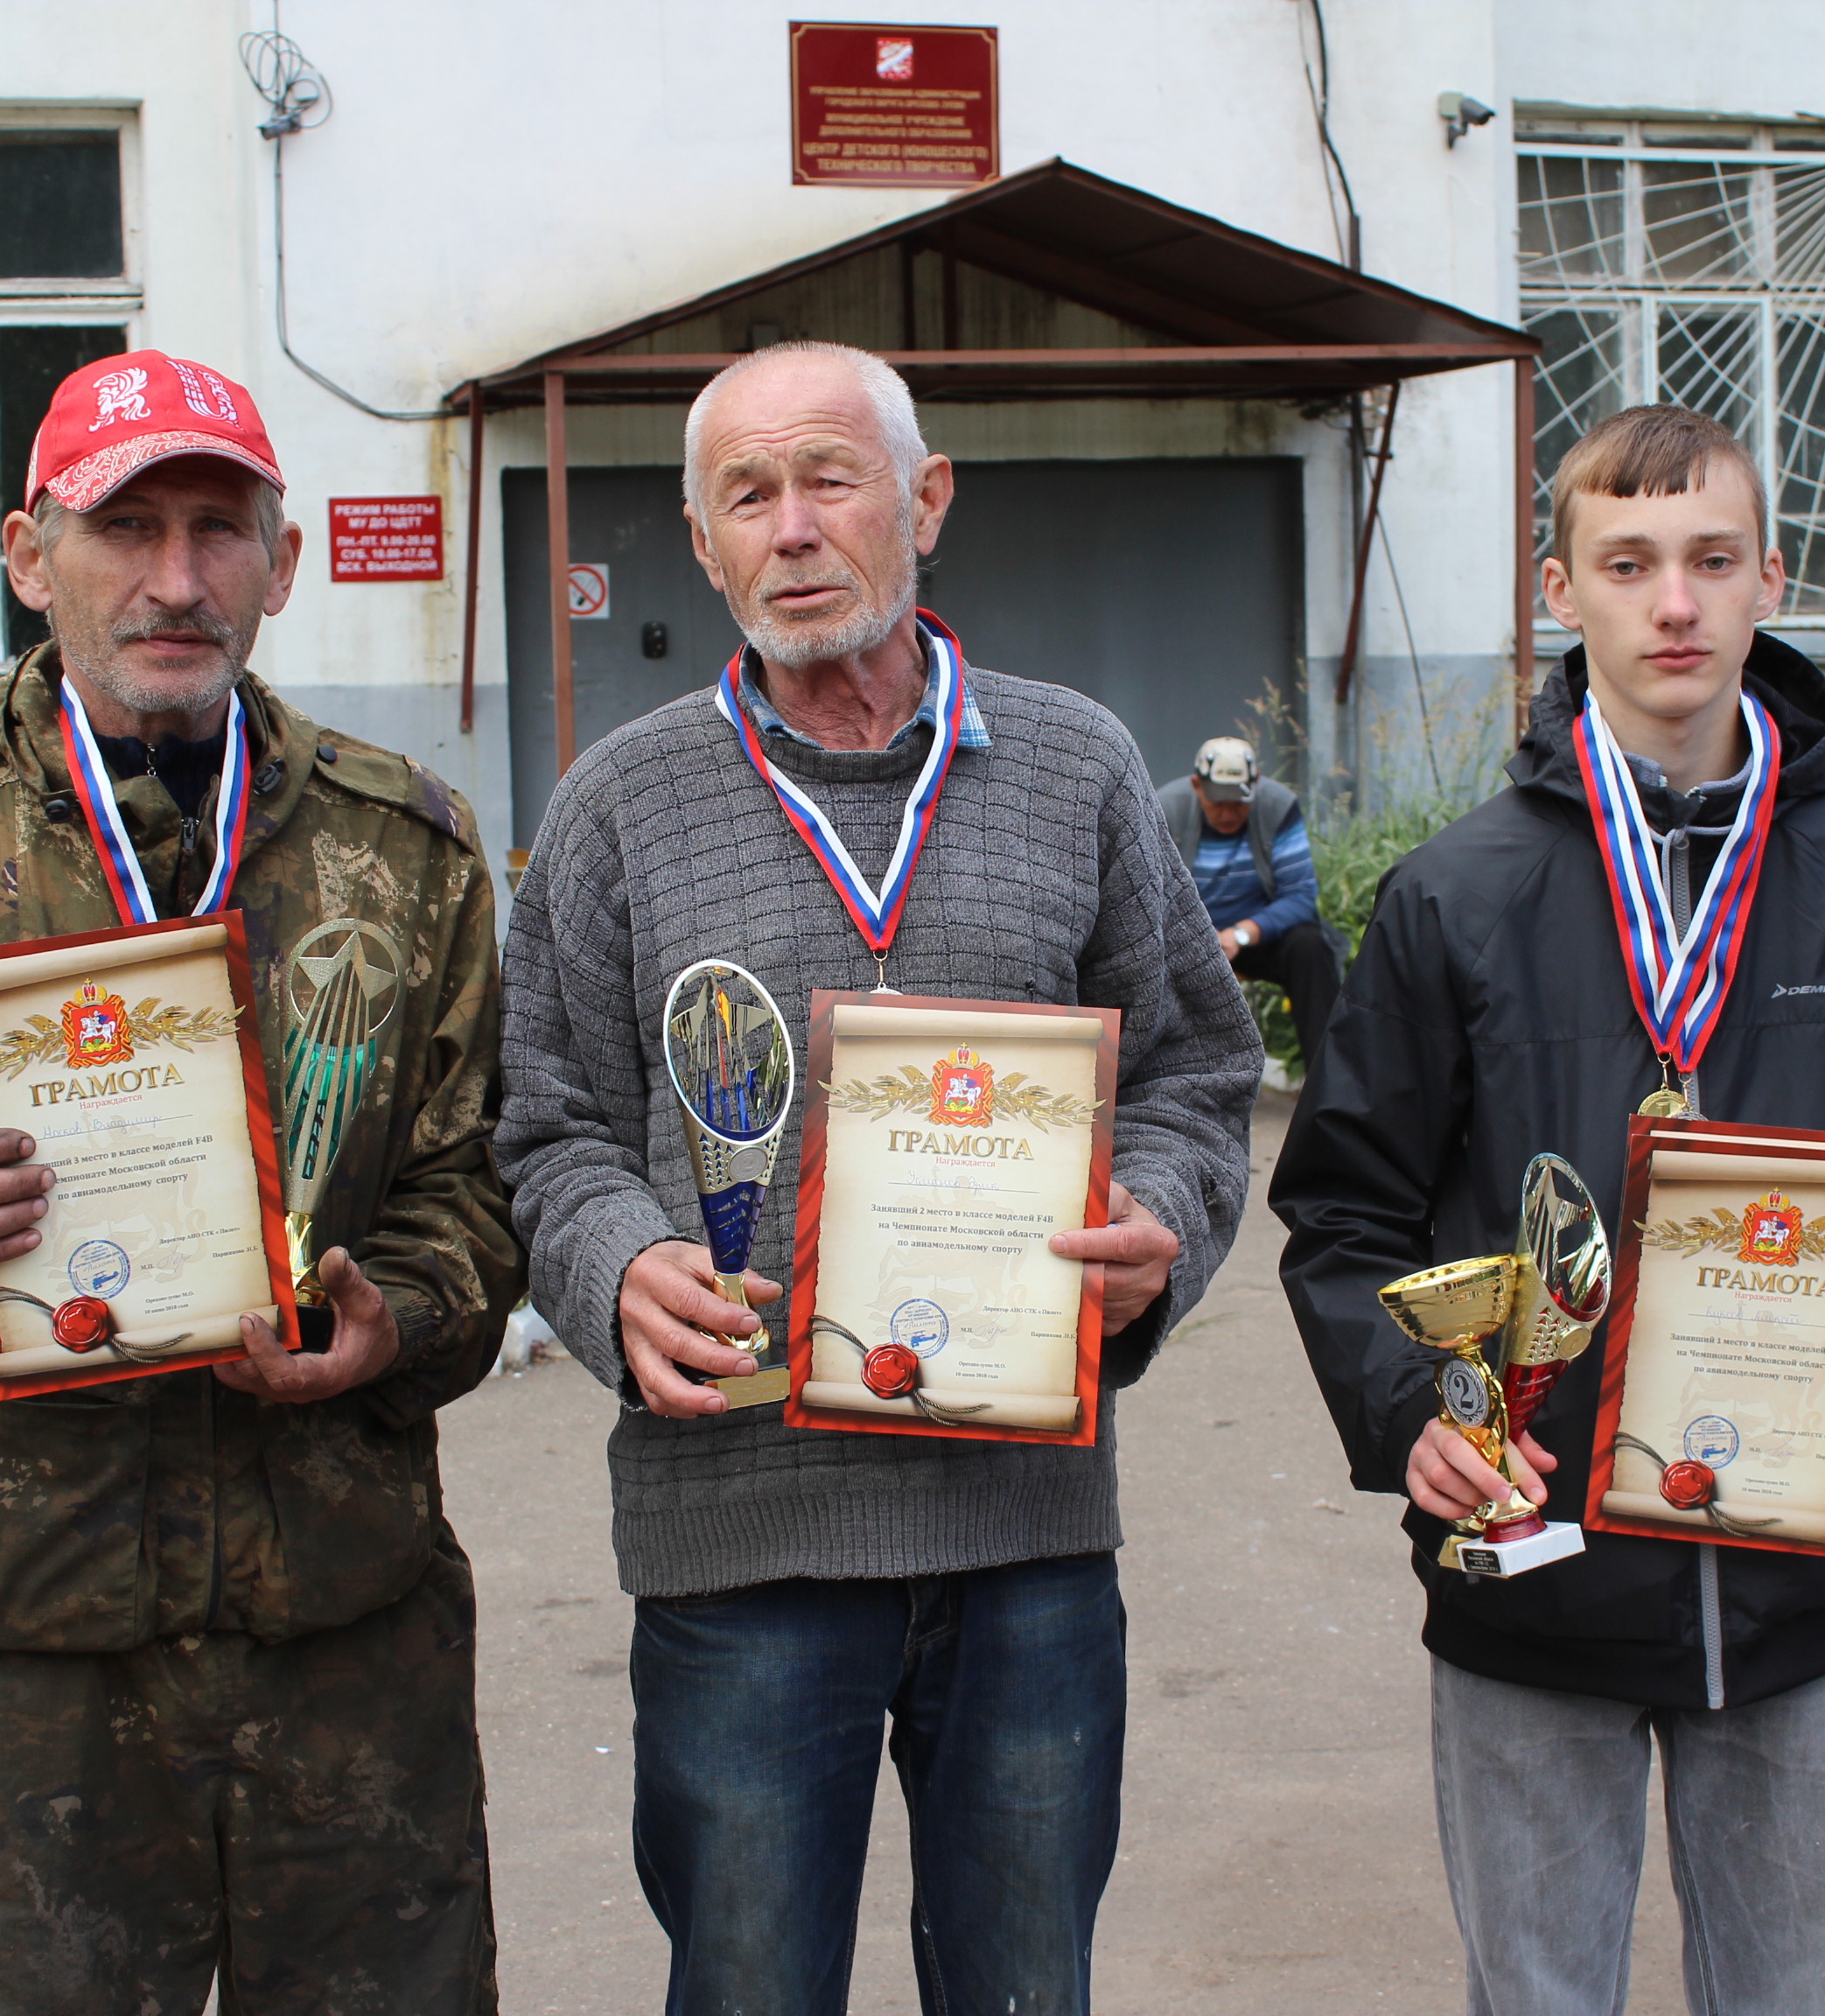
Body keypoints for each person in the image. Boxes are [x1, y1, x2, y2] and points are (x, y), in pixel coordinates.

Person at [0, 350, 520, 2015]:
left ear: (283, 563)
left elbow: (480, 1182)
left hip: (344, 1643)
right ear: (27, 554)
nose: (176, 579)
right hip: (33, 1663)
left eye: (219, 530)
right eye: (125, 527)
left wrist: (402, 1313)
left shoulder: (404, 850)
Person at [497, 340, 1259, 2014]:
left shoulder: (1074, 766)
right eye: (746, 494)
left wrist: (1163, 1220)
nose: (791, 527)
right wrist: (616, 1265)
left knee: (1025, 1985)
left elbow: (1198, 1072)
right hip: (740, 1537)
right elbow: (544, 1121)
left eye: (829, 478)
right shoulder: (618, 801)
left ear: (925, 500)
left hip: (1026, 1535)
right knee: (751, 1985)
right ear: (702, 544)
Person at [1270, 403, 1825, 2016]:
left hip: (1795, 1581)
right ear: (1561, 589)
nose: (1675, 602)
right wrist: (1414, 1411)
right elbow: (1344, 1212)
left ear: (1770, 581)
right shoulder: (1458, 894)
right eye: (1628, 563)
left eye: (1712, 559)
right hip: (1534, 1575)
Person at [1159, 735, 1343, 1056]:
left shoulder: (1278, 805)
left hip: (1255, 938)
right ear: (1197, 786)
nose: (1228, 813)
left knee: (1310, 945)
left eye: (1239, 803)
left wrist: (1240, 935)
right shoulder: (1166, 808)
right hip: (1185, 940)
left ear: (1255, 783)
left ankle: (1327, 1074)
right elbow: (1149, 894)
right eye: (1219, 803)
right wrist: (1198, 936)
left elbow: (1300, 896)